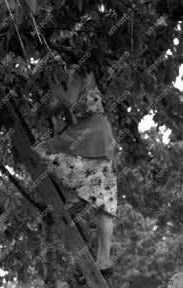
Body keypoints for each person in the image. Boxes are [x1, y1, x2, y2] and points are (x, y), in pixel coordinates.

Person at [36, 67, 117, 272]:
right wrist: (51, 103)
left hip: (88, 134)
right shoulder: (91, 75)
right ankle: (104, 259)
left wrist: (53, 86)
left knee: (43, 152)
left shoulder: (79, 70)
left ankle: (75, 196)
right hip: (103, 135)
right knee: (105, 201)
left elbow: (69, 101)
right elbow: (58, 106)